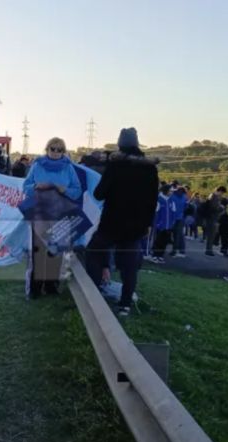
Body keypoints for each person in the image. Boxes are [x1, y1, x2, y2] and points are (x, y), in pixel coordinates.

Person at [86, 127, 159, 316]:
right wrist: (147, 224)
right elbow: (153, 200)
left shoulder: (116, 166)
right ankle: (125, 305)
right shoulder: (150, 168)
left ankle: (93, 294)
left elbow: (99, 194)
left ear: (120, 144)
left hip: (112, 223)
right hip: (137, 226)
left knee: (94, 252)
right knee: (129, 267)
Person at [23, 137, 82, 298]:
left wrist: (65, 190)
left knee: (55, 251)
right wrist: (35, 186)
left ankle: (51, 286)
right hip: (40, 214)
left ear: (64, 152)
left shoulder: (69, 168)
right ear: (47, 149)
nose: (56, 152)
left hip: (60, 214)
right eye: (52, 149)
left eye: (59, 150)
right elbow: (25, 187)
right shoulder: (37, 165)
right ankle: (35, 289)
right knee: (38, 252)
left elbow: (77, 190)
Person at [149, 184, 176, 263]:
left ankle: (160, 256)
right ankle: (155, 255)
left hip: (168, 226)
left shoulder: (171, 200)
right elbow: (155, 213)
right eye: (170, 191)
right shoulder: (159, 200)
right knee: (157, 241)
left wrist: (172, 223)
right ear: (166, 191)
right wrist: (157, 224)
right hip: (159, 226)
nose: (171, 192)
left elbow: (173, 212)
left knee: (164, 242)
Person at [203, 186, 226, 256]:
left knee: (212, 235)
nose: (222, 194)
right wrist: (221, 208)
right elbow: (214, 208)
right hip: (212, 218)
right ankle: (209, 250)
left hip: (212, 218)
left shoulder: (213, 196)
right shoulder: (214, 196)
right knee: (211, 235)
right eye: (222, 192)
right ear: (220, 191)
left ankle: (209, 249)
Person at [170, 185, 188, 257]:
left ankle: (174, 251)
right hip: (180, 217)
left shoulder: (172, 196)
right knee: (179, 235)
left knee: (174, 234)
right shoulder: (184, 197)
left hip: (173, 218)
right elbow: (186, 207)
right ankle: (180, 250)